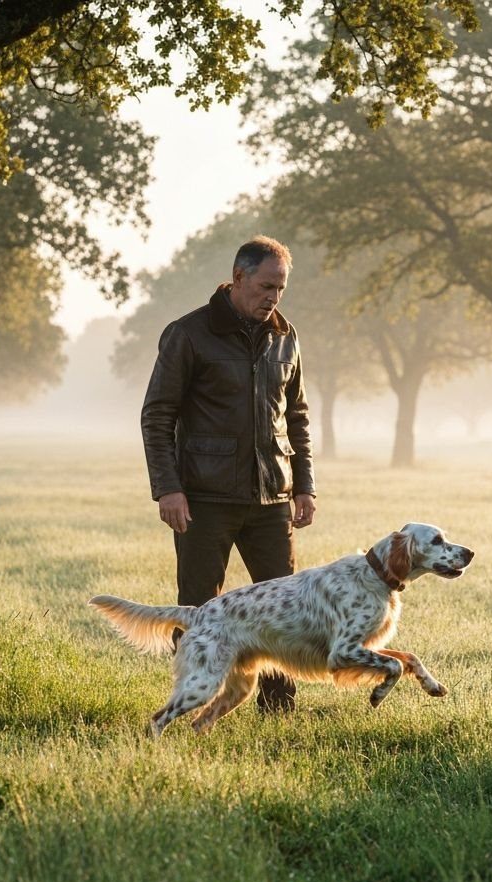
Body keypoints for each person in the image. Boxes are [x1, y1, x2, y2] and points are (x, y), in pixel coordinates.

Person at [141, 235, 316, 712]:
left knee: (285, 613)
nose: (273, 297)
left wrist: (304, 485)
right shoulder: (188, 334)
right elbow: (157, 416)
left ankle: (279, 711)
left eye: (281, 288)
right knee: (199, 610)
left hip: (272, 499)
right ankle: (190, 705)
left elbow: (296, 416)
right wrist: (168, 489)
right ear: (239, 278)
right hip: (204, 500)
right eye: (266, 286)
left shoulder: (286, 336)